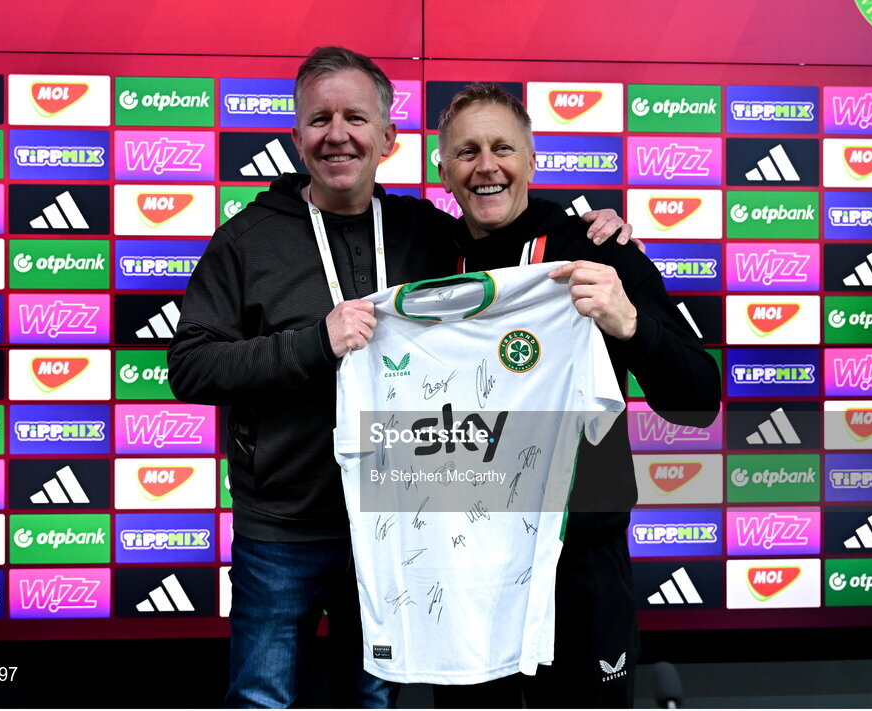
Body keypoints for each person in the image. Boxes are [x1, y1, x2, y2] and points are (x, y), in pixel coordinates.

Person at [168, 49, 630, 708]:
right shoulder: (245, 241)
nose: (337, 134)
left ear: (387, 139)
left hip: (400, 525)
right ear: (296, 135)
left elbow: (509, 241)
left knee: (375, 700)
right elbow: (190, 365)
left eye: (355, 117)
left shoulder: (429, 234)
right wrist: (312, 344)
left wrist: (593, 233)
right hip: (285, 528)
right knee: (261, 696)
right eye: (318, 118)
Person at [431, 83, 722, 708]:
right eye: (467, 152)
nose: (486, 166)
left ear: (532, 160)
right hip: (465, 572)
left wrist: (630, 325)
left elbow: (699, 400)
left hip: (580, 564)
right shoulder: (423, 258)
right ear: (443, 170)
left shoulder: (596, 250)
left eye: (503, 148)